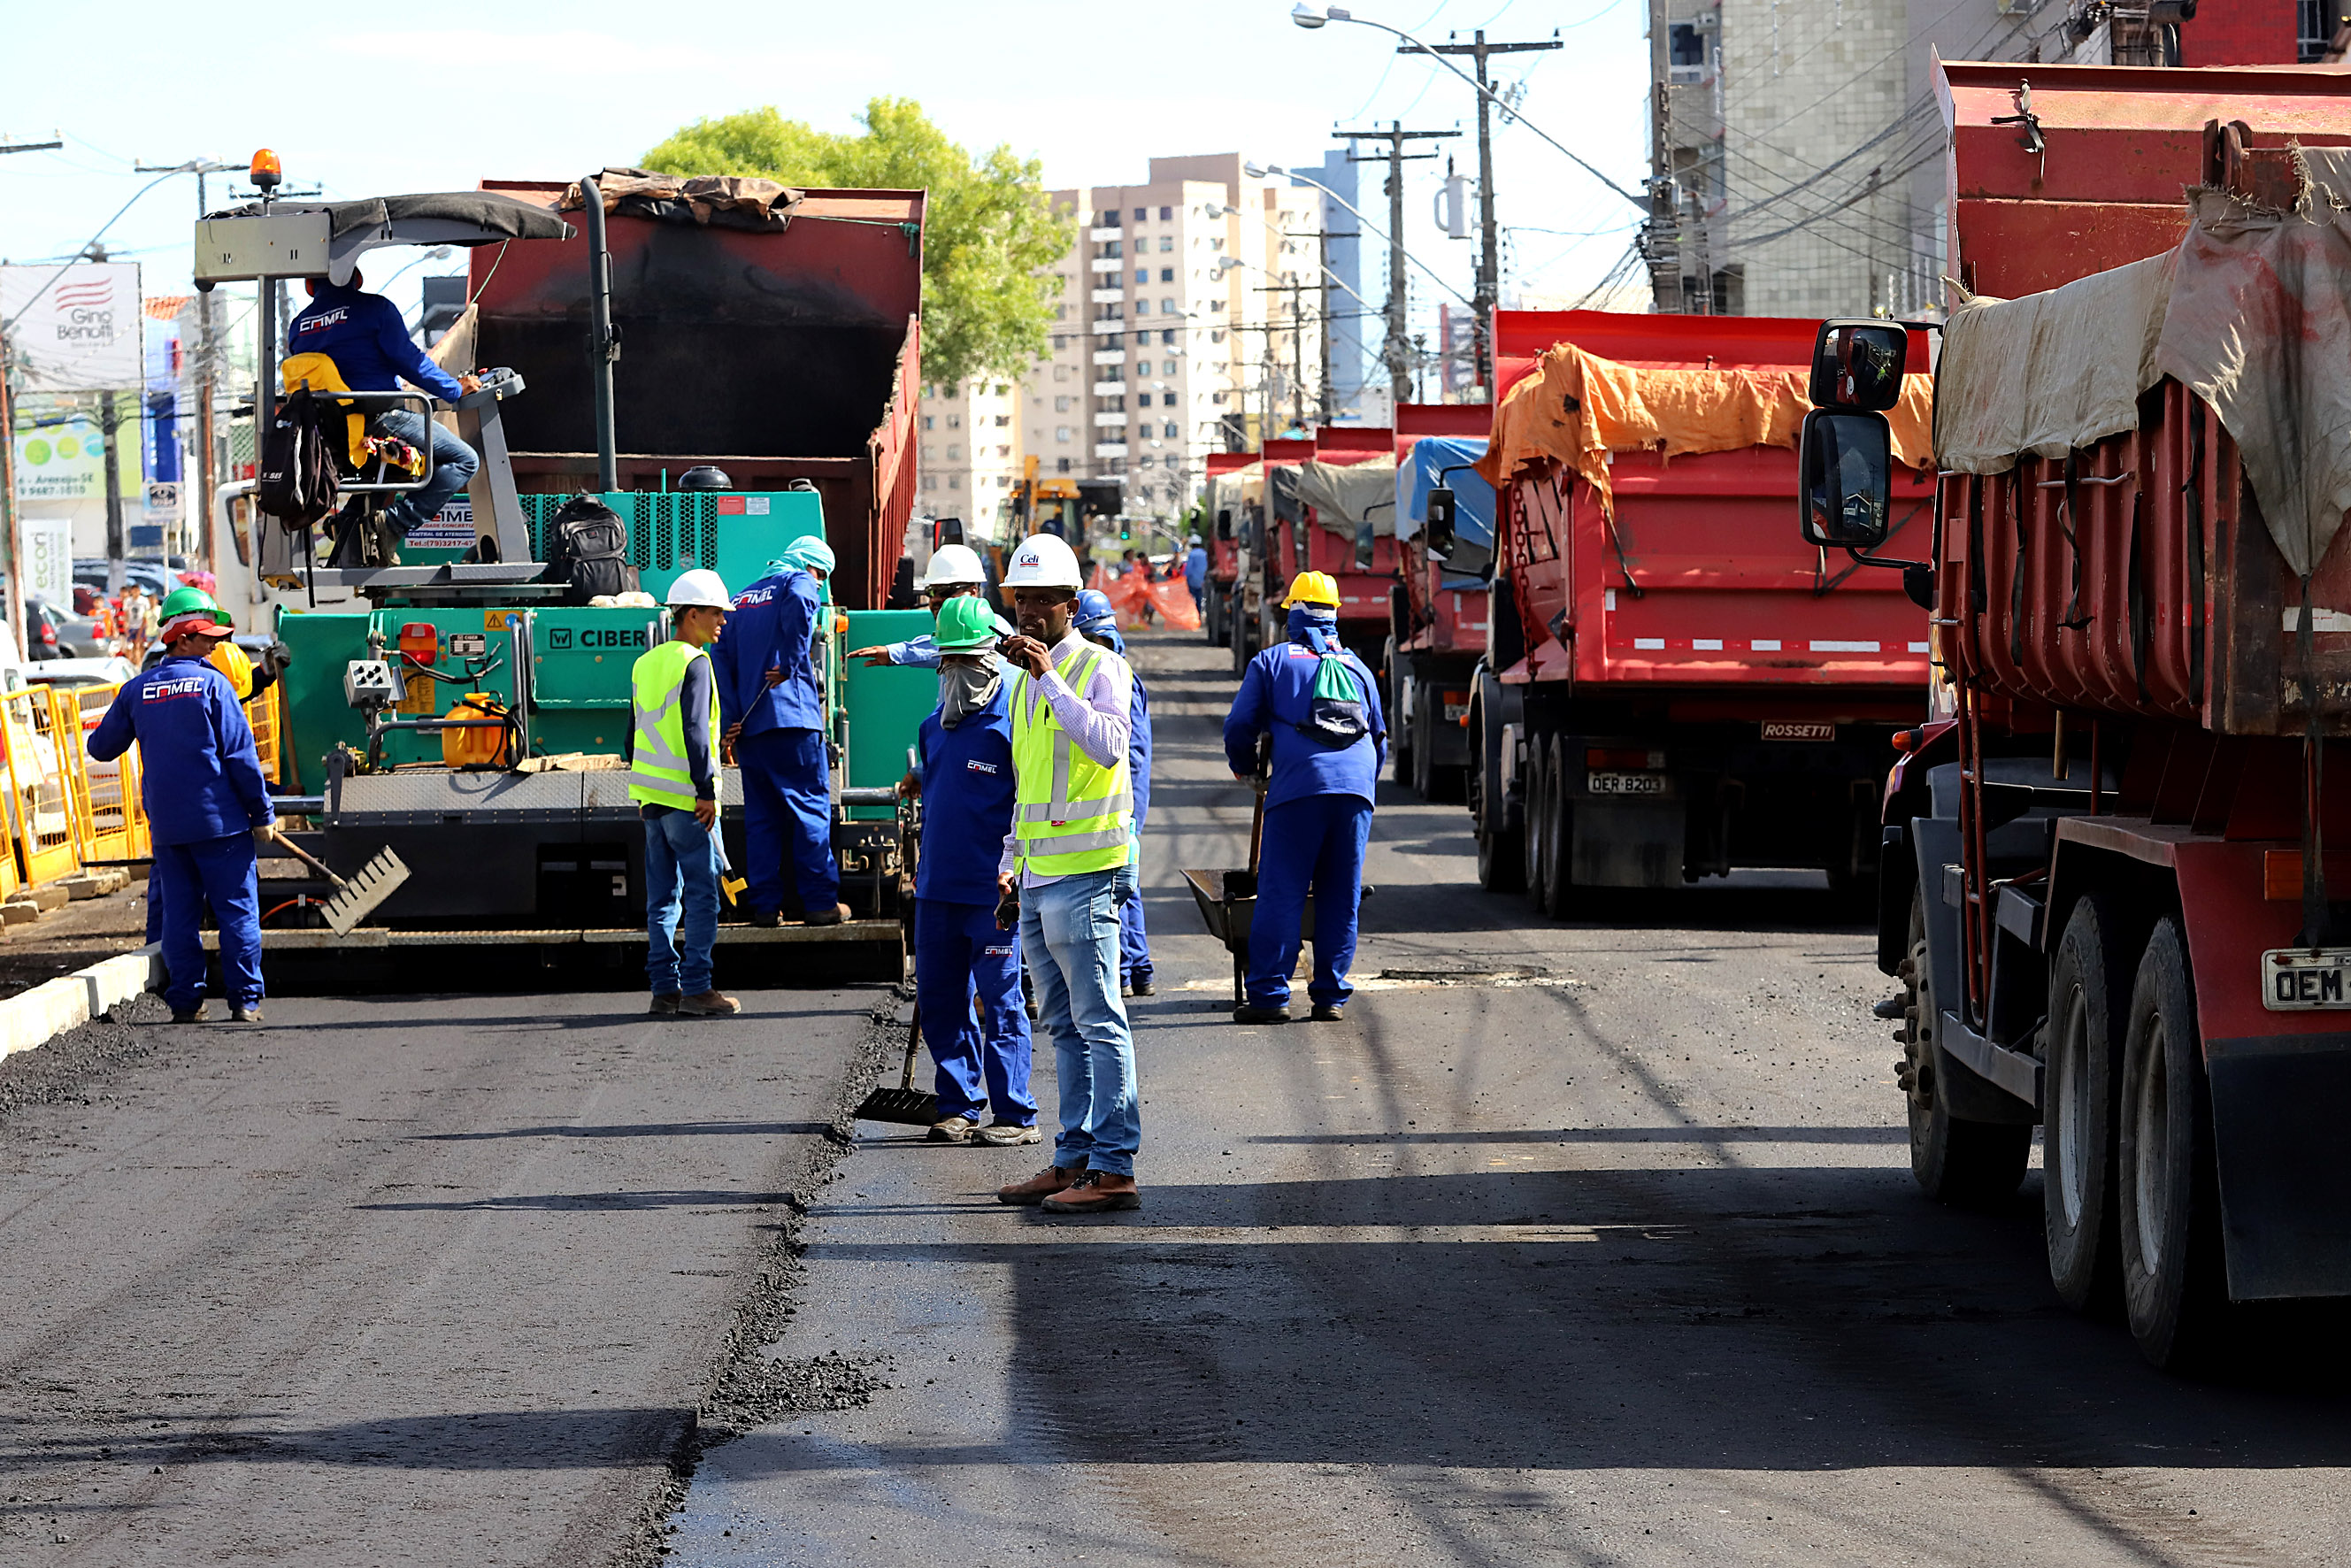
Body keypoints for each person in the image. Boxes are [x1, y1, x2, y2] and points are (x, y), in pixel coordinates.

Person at [989, 533, 1144, 1216]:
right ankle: (1073, 1157)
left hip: (1088, 875)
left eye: (1041, 601)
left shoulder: (1097, 667)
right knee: (1062, 1026)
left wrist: (1049, 674)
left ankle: (1113, 1167)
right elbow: (1029, 786)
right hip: (1040, 876)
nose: (1027, 613)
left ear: (1071, 604)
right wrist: (1008, 867)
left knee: (1099, 1020)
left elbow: (1110, 747)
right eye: (1020, 600)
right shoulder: (1024, 683)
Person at [88, 587, 273, 1025]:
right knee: (237, 913)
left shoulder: (137, 689)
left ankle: (186, 1002)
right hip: (222, 827)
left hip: (170, 830)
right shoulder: (214, 686)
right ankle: (245, 1000)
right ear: (183, 637)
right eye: (206, 636)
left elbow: (100, 747)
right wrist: (262, 813)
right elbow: (240, 757)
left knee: (180, 917)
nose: (214, 644)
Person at [1222, 570, 1386, 1025]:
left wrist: (1247, 769)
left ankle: (1270, 997)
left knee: (1283, 890)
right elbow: (1380, 740)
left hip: (1298, 793)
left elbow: (1239, 726)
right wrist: (1361, 787)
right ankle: (1330, 995)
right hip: (1355, 793)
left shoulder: (1272, 663)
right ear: (1335, 616)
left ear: (1293, 612)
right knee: (1340, 893)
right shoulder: (1359, 668)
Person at [905, 595, 1038, 1146]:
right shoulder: (932, 728)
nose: (958, 670)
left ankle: (1015, 1114)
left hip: (992, 892)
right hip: (937, 889)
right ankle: (958, 1103)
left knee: (1000, 1000)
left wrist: (1015, 875)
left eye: (969, 659)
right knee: (939, 997)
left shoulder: (1016, 726)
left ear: (994, 659)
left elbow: (1027, 805)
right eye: (949, 660)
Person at [285, 269, 481, 549]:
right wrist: (455, 389)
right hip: (380, 421)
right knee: (464, 460)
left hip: (332, 433)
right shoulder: (375, 309)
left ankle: (347, 523)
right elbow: (411, 362)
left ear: (309, 286)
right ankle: (393, 523)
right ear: (358, 280)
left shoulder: (300, 325)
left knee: (389, 468)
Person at [713, 535, 849, 927]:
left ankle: (766, 907)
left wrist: (732, 722)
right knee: (809, 813)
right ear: (809, 565)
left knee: (762, 821)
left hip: (752, 732)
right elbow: (806, 597)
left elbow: (720, 663)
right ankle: (821, 903)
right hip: (794, 724)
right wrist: (790, 661)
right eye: (821, 574)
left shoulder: (738, 602)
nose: (820, 584)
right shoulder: (797, 581)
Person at [627, 568, 741, 1018]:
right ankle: (697, 988)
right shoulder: (695, 663)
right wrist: (705, 791)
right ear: (691, 615)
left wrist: (642, 793)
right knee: (702, 895)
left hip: (651, 800)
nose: (723, 622)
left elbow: (631, 732)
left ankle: (664, 990)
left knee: (661, 898)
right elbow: (694, 729)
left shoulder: (645, 662)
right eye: (716, 613)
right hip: (685, 801)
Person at [1072, 588, 1154, 997]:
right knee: (1125, 880)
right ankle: (1138, 968)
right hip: (1127, 795)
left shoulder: (1110, 673)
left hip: (1119, 796)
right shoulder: (1120, 669)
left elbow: (1129, 750)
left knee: (1112, 883)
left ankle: (1124, 970)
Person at [847, 543, 1010, 668]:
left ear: (973, 593)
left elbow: (947, 649)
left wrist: (894, 653)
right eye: (931, 592)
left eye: (945, 591)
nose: (936, 599)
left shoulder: (992, 629)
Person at [1185, 533, 1210, 614]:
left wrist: (1184, 577)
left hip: (1192, 581)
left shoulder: (1192, 554)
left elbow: (1189, 568)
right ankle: (1198, 615)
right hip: (1203, 580)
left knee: (1191, 599)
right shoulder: (1204, 553)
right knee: (1199, 599)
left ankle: (1192, 615)